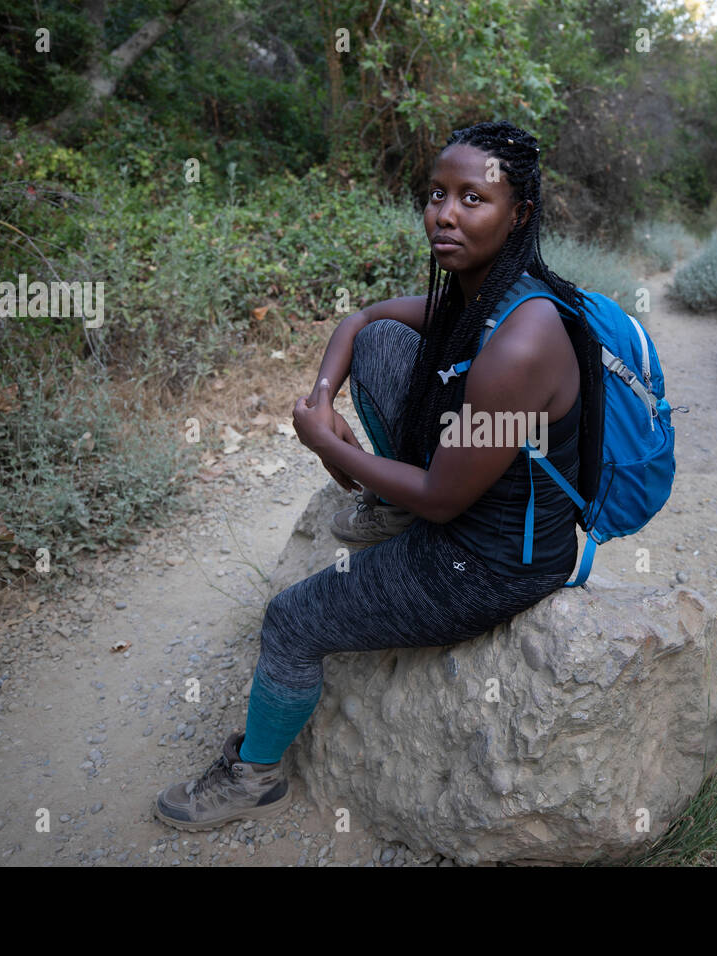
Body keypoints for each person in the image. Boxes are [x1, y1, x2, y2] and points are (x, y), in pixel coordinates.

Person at [154, 119, 585, 831]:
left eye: (472, 199)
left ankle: (254, 777)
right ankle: (390, 502)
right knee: (386, 341)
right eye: (436, 194)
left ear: (521, 215)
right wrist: (324, 399)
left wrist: (327, 444)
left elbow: (444, 502)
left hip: (489, 561)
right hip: (464, 502)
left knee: (292, 621)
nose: (445, 214)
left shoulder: (523, 340)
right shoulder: (481, 299)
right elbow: (362, 319)